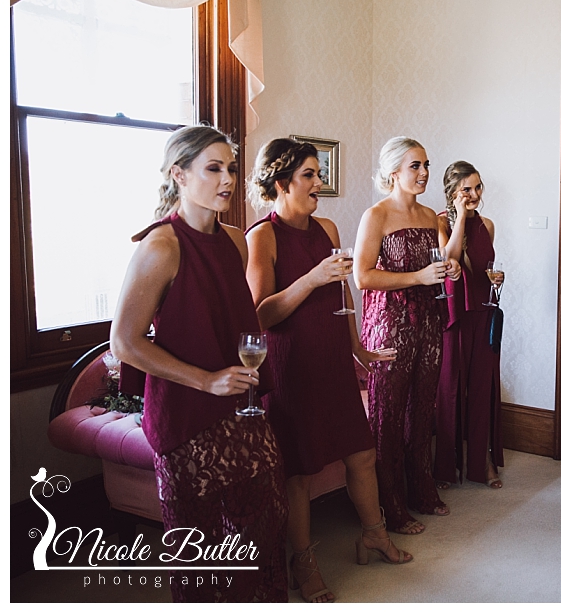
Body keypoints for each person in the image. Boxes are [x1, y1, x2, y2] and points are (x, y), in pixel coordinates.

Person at [110, 125, 288, 602]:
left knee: (266, 521)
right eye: (213, 168)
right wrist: (206, 381)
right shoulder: (161, 246)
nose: (227, 179)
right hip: (186, 415)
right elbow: (124, 342)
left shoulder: (235, 240)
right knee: (200, 549)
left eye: (230, 168)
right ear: (179, 175)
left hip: (239, 404)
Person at [245, 139, 413, 603]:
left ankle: (374, 535)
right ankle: (302, 562)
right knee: (299, 472)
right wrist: (311, 278)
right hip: (291, 368)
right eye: (310, 175)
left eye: (318, 173)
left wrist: (357, 347)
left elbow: (343, 296)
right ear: (282, 183)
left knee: (361, 453)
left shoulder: (327, 227)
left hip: (333, 361)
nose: (319, 182)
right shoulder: (262, 236)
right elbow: (260, 314)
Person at [353, 136, 461, 535]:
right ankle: (390, 506)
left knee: (422, 408)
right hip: (390, 323)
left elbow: (441, 261)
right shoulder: (376, 215)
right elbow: (363, 277)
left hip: (428, 321)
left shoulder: (431, 215)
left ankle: (422, 490)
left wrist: (448, 269)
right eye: (415, 165)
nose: (424, 172)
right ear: (393, 172)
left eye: (426, 165)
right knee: (389, 413)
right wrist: (418, 277)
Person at [433, 161, 505, 489]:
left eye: (477, 187)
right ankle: (445, 466)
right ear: (452, 192)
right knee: (449, 389)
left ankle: (482, 463)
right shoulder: (438, 222)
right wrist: (460, 217)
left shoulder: (487, 225)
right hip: (453, 315)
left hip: (483, 312)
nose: (474, 194)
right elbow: (447, 258)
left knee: (482, 388)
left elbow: (483, 269)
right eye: (466, 189)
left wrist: (496, 279)